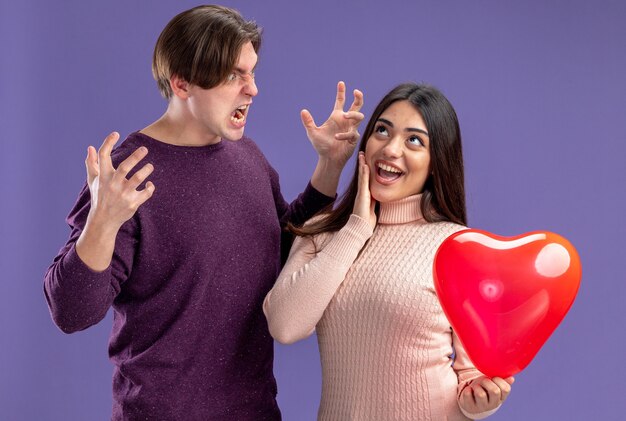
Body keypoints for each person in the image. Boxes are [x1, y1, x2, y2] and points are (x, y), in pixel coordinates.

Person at [44, 5, 363, 420]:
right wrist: (102, 221)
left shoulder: (249, 157)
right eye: (234, 75)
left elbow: (282, 255)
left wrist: (330, 166)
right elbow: (70, 312)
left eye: (251, 72)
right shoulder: (126, 176)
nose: (252, 89)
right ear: (182, 83)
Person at [263, 83, 514, 420]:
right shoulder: (324, 231)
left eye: (415, 140)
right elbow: (284, 325)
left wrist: (482, 401)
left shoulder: (458, 247)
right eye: (382, 130)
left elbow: (471, 379)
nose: (392, 149)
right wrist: (355, 230)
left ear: (437, 162)